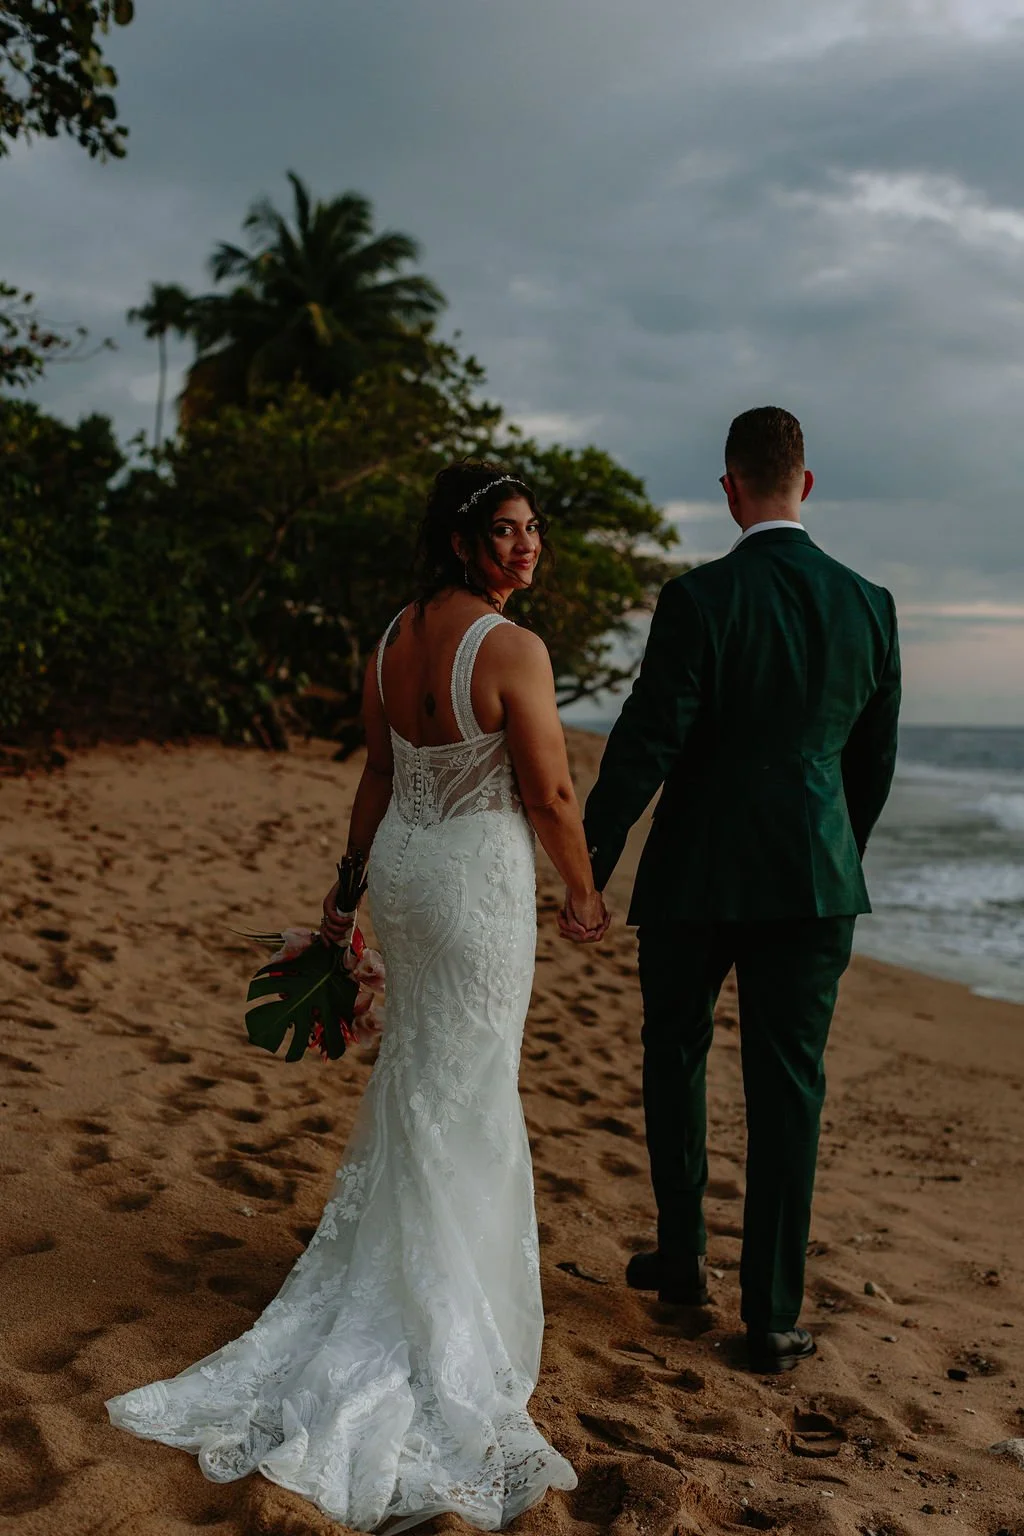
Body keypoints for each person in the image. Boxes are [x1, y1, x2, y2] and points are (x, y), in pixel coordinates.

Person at [106, 461, 608, 1531]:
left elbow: (378, 776)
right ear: (465, 541)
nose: (526, 549)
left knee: (426, 1069)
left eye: (534, 531)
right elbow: (553, 789)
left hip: (407, 867)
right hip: (472, 876)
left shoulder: (388, 642)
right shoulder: (513, 649)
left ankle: (403, 1262)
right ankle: (444, 1307)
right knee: (466, 1078)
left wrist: (349, 891)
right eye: (507, 533)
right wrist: (583, 891)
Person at [580, 407, 901, 1373]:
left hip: (695, 875)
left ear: (731, 489)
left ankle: (683, 1262)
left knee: (674, 1054)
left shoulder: (698, 598)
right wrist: (838, 850)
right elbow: (872, 765)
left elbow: (647, 743)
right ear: (805, 483)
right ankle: (770, 1315)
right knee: (789, 1087)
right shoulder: (870, 603)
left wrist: (587, 859)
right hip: (813, 880)